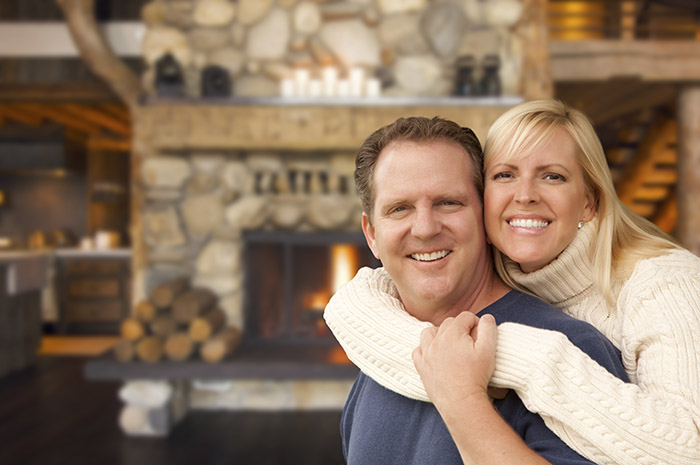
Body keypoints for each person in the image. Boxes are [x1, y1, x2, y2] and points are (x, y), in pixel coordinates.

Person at [325, 100, 700, 464]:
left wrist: (471, 390)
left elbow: (688, 448)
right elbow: (354, 305)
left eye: (448, 203)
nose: (425, 228)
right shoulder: (384, 348)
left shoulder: (624, 311)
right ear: (371, 234)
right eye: (399, 208)